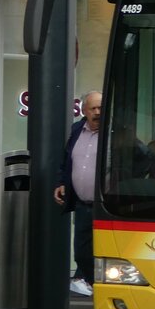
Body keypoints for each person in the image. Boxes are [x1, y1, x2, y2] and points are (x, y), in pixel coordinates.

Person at [55, 91, 102, 297]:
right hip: (83, 204)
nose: (98, 112)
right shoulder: (76, 130)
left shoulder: (113, 132)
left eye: (101, 108)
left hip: (105, 205)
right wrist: (62, 183)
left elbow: (140, 157)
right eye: (93, 108)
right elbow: (66, 161)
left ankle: (104, 292)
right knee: (82, 254)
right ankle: (96, 287)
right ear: (84, 111)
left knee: (103, 253)